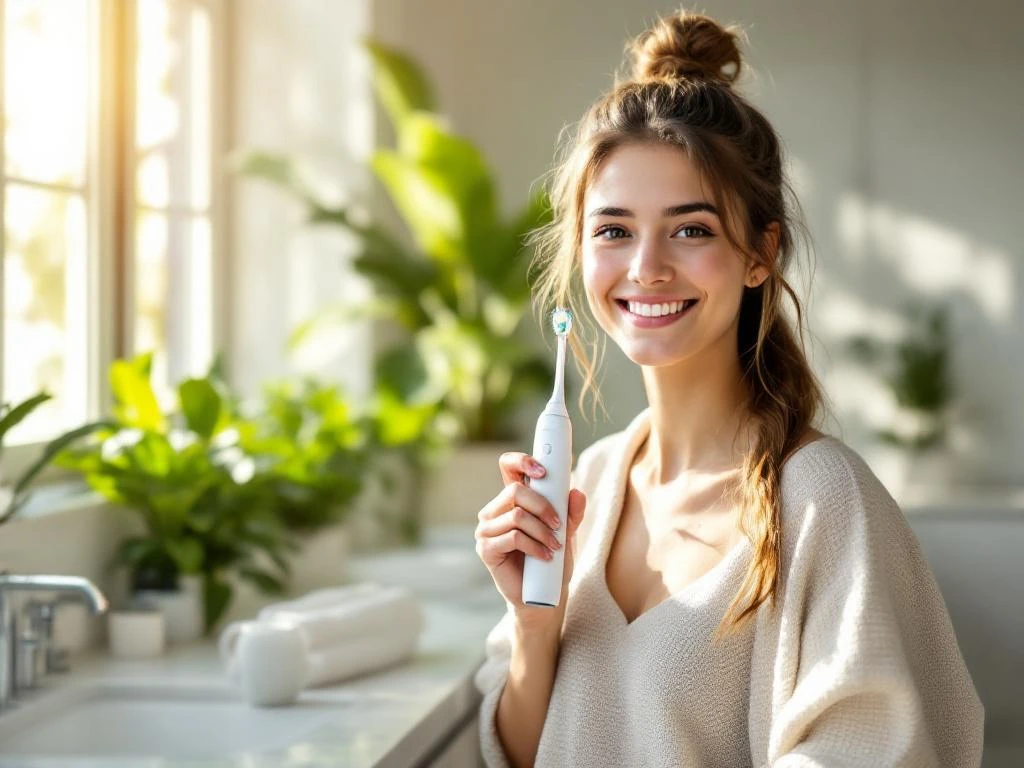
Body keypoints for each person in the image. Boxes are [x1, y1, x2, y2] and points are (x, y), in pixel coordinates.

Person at [471, 7, 984, 768]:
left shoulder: (823, 503)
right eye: (613, 229)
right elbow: (514, 754)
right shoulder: (589, 483)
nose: (646, 266)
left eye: (691, 229)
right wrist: (534, 626)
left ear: (760, 253)